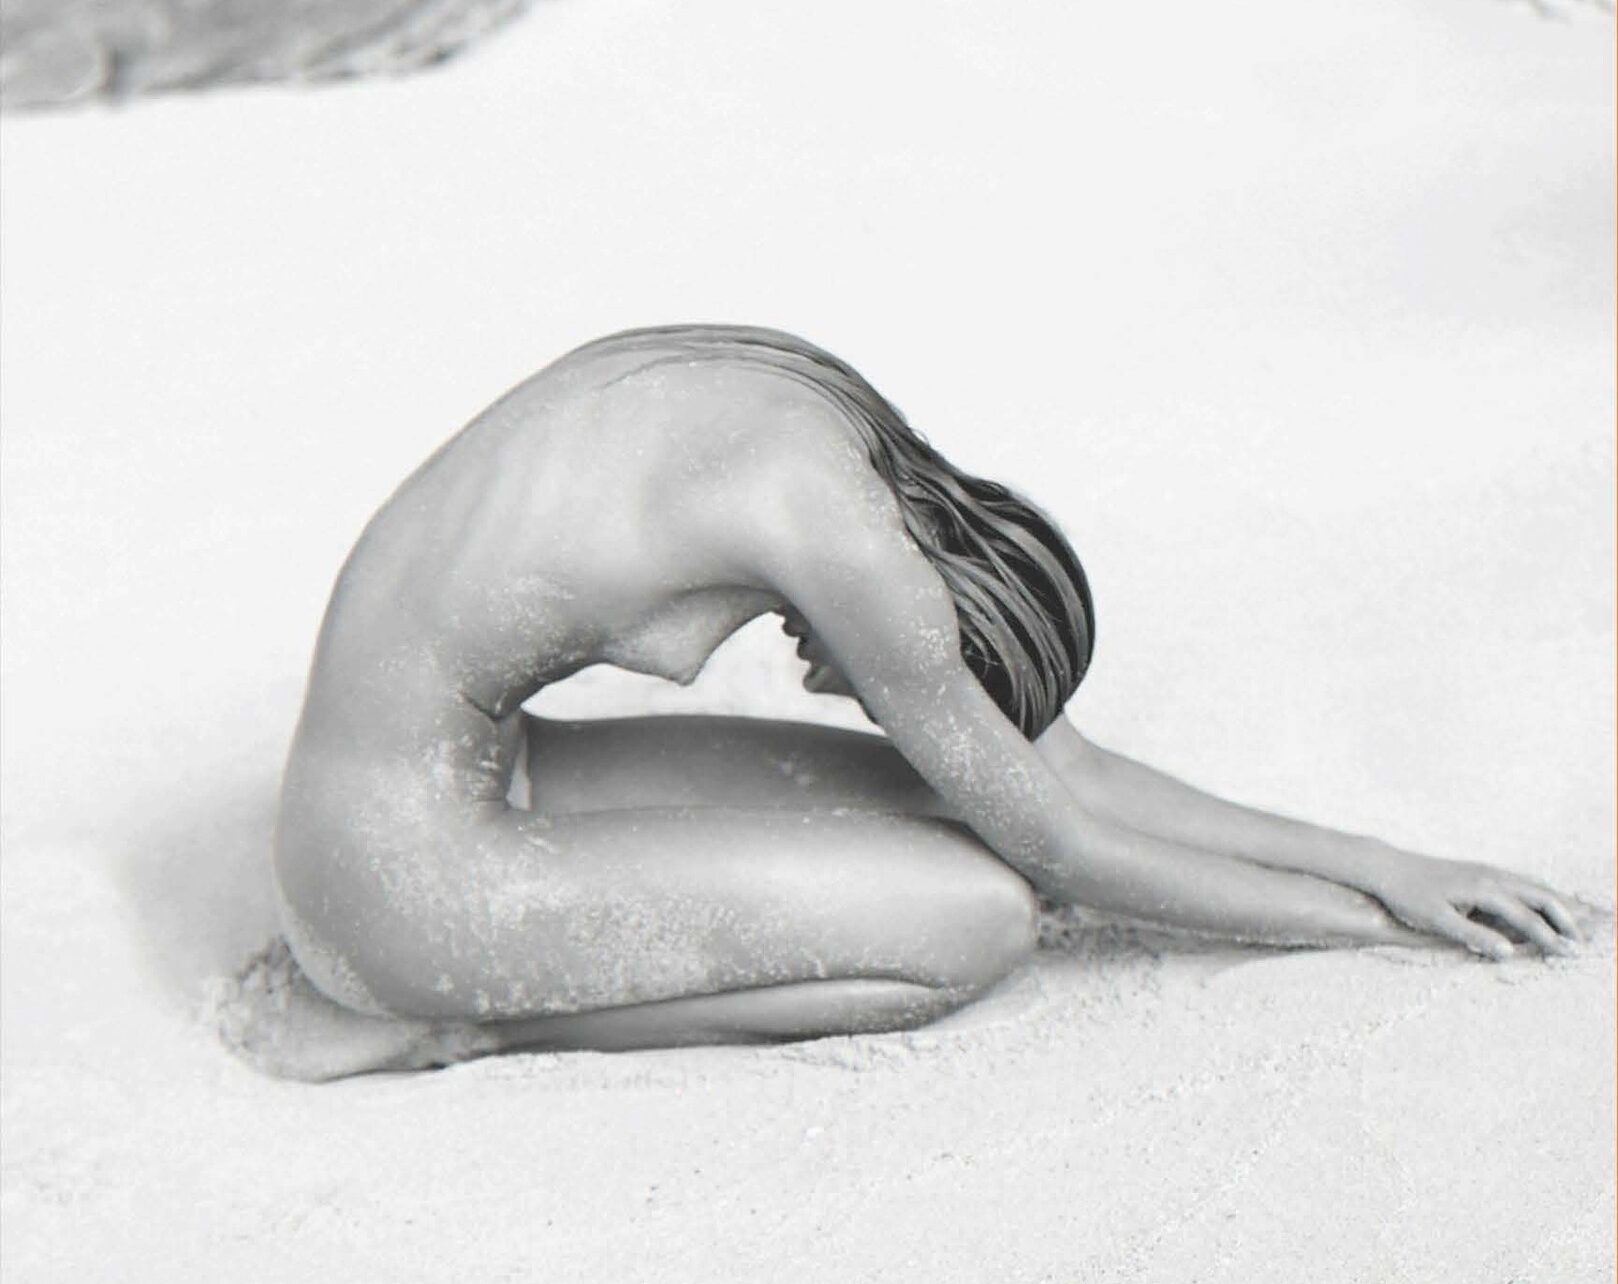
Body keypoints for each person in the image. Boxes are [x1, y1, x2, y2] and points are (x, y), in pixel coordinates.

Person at [228, 326, 1579, 1080]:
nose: (845, 691)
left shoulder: (832, 431)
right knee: (979, 917)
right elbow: (1064, 844)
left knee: (951, 814)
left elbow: (1058, 771)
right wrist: (1368, 925)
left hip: (434, 790)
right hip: (392, 886)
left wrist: (1389, 863)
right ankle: (444, 1027)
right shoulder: (855, 560)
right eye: (887, 689)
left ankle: (425, 981)